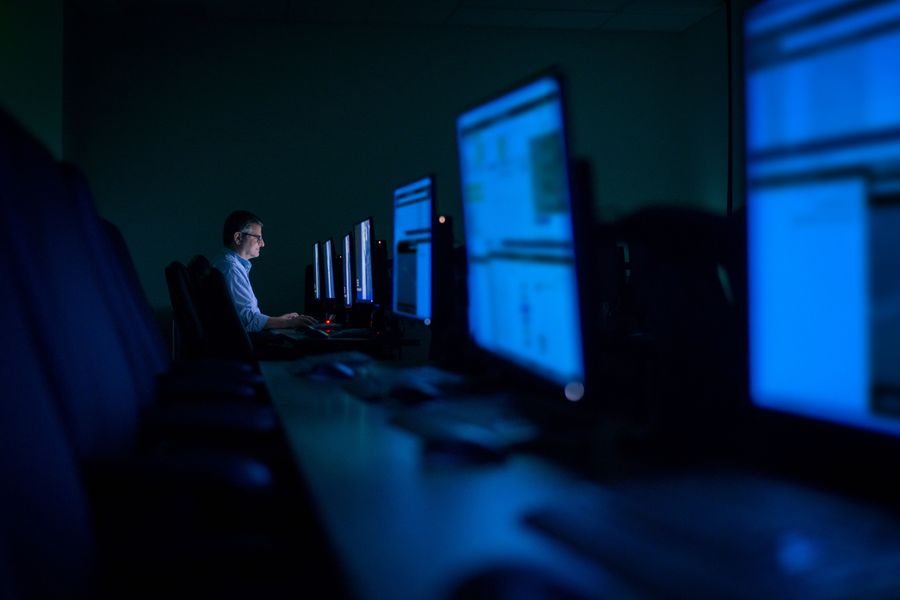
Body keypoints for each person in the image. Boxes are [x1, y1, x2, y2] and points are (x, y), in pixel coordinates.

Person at [214, 210, 316, 332]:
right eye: (258, 238)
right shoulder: (231, 269)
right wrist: (287, 322)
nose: (262, 244)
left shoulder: (228, 264)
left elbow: (248, 318)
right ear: (238, 238)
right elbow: (249, 321)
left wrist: (278, 320)